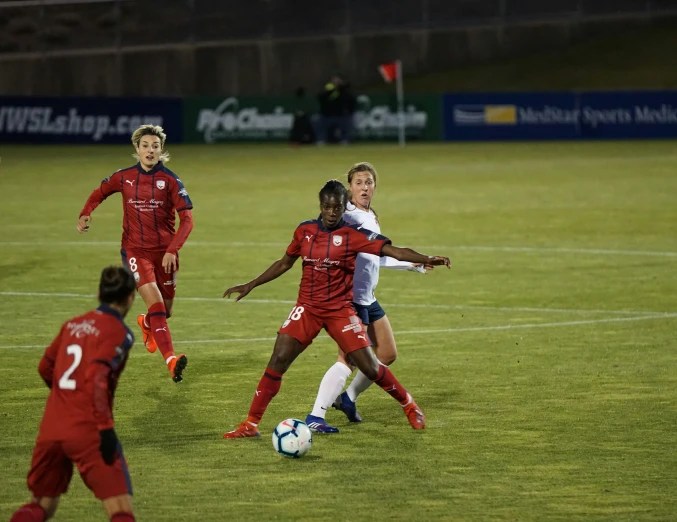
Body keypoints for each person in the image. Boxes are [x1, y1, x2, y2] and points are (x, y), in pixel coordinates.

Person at [222, 180, 451, 438]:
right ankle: (251, 424)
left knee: (371, 367)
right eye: (327, 207)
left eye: (337, 208)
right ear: (320, 205)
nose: (332, 213)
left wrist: (425, 258)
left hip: (340, 311)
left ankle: (408, 404)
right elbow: (284, 262)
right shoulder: (304, 231)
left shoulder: (354, 236)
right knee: (278, 359)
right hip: (307, 308)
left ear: (344, 208)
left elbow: (394, 251)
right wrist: (252, 284)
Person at [305, 162, 429, 433]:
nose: (364, 187)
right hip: (349, 299)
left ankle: (347, 399)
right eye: (359, 182)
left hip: (367, 298)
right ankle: (315, 416)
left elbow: (375, 256)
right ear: (349, 187)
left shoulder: (370, 214)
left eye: (369, 182)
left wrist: (411, 265)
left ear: (375, 186)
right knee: (347, 360)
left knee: (386, 353)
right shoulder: (346, 215)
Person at [10, 266, 137, 522]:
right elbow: (99, 378)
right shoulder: (119, 332)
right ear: (130, 297)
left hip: (53, 426)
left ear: (99, 293)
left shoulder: (72, 324)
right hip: (89, 428)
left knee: (41, 504)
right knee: (120, 509)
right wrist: (105, 428)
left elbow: (45, 367)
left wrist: (65, 399)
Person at [77, 124, 192, 382]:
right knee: (158, 306)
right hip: (135, 251)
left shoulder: (171, 181)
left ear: (161, 150)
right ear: (136, 149)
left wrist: (173, 249)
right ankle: (171, 360)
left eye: (155, 146)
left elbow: (187, 220)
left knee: (165, 312)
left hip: (165, 255)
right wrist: (86, 212)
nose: (150, 151)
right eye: (145, 146)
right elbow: (100, 192)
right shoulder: (124, 177)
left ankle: (147, 324)